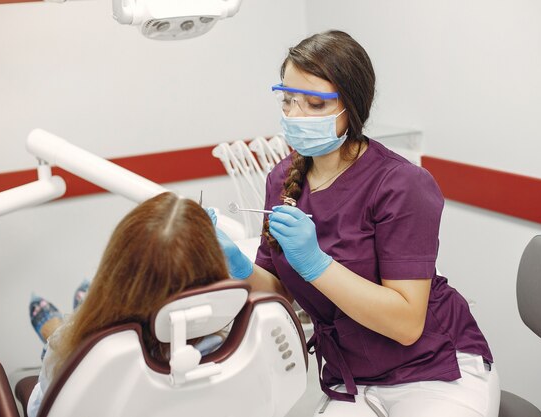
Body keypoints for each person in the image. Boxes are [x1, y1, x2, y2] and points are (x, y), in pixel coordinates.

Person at [214, 30, 500, 417]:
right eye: (288, 100)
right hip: (353, 377)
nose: (295, 116)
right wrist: (232, 262)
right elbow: (279, 290)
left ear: (351, 106)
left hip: (433, 369)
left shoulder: (401, 184)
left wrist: (316, 264)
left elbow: (406, 324)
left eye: (314, 104)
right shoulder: (283, 180)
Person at [26, 192, 230, 417]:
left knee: (65, 336)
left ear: (113, 272)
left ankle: (61, 323)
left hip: (75, 353)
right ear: (215, 270)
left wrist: (59, 345)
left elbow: (40, 409)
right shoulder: (235, 346)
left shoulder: (77, 357)